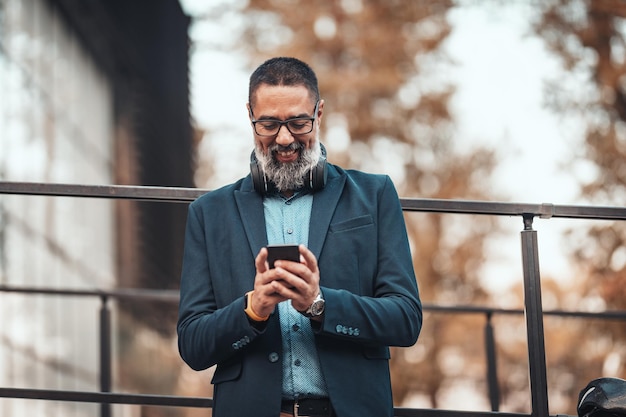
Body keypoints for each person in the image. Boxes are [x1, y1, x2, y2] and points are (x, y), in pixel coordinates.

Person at [177, 56, 422, 417]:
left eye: (298, 122)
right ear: (250, 116)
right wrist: (252, 310)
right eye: (269, 124)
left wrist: (320, 304)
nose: (285, 138)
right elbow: (193, 345)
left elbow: (406, 320)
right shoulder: (208, 213)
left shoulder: (375, 195)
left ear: (319, 113)